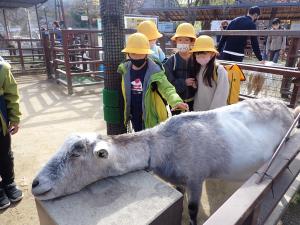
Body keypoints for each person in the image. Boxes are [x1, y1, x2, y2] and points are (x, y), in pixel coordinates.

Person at [118, 32, 188, 132]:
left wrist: (176, 101)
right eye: (133, 53)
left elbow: (167, 88)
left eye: (140, 53)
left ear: (146, 54)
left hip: (152, 117)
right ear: (128, 54)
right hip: (134, 115)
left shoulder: (155, 71)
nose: (137, 57)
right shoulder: (125, 70)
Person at [0, 61, 22, 210]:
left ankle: (9, 182)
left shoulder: (2, 68)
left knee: (5, 154)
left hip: (0, 126)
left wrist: (14, 118)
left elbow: (12, 95)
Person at [164, 23, 197, 114]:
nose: (183, 43)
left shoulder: (196, 60)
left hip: (193, 100)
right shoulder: (171, 61)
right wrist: (184, 82)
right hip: (176, 102)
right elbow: (167, 83)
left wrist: (196, 84)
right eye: (180, 40)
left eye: (186, 40)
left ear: (192, 42)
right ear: (176, 41)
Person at [191, 35, 229, 111]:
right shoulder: (198, 67)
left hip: (213, 112)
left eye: (204, 53)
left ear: (212, 54)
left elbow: (221, 94)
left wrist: (213, 113)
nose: (200, 56)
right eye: (197, 54)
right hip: (198, 110)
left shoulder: (219, 70)